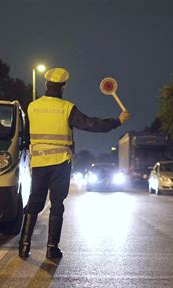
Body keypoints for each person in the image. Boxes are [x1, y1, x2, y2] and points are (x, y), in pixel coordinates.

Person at [19, 67, 131, 259]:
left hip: (38, 163)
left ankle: (24, 245)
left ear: (46, 85)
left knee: (34, 202)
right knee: (56, 204)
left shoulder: (32, 107)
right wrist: (117, 121)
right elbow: (91, 124)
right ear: (62, 88)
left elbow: (26, 136)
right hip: (60, 163)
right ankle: (51, 248)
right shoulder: (67, 108)